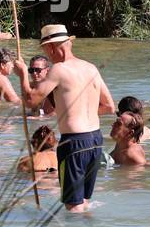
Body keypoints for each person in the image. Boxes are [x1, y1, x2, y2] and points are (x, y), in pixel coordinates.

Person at [13, 25, 117, 213]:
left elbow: (30, 101)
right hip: (95, 139)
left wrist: (22, 75)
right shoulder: (91, 68)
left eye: (44, 49)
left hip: (74, 143)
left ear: (51, 48)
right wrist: (78, 112)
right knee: (84, 201)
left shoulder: (58, 70)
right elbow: (110, 106)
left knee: (73, 206)